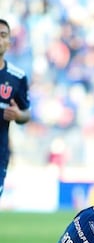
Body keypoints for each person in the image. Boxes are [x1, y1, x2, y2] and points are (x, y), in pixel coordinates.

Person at [0, 19, 31, 198]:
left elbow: (26, 113)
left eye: (3, 35)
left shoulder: (17, 77)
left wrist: (18, 114)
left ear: (9, 42)